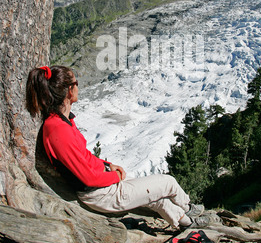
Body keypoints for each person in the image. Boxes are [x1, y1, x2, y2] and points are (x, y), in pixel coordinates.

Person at [26, 65, 212, 229]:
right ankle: (189, 208)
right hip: (100, 194)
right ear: (69, 90)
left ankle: (187, 224)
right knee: (168, 183)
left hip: (100, 189)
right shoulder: (57, 129)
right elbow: (87, 178)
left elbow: (83, 157)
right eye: (76, 82)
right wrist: (114, 176)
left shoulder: (63, 122)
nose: (78, 86)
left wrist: (107, 165)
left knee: (158, 200)